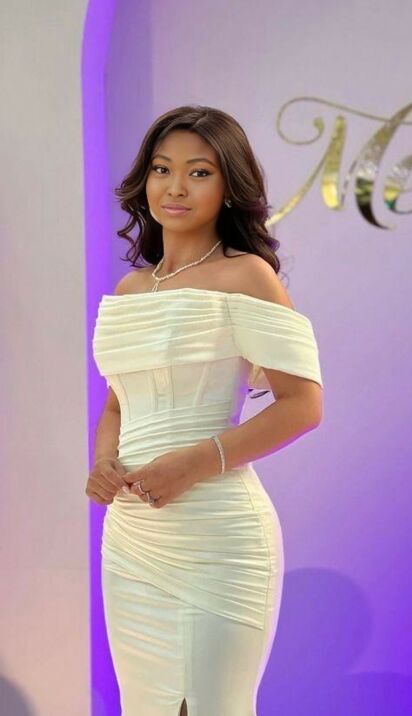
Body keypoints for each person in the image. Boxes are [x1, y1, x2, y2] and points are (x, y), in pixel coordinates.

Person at [87, 105, 324, 715]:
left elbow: (303, 406)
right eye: (162, 169)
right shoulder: (131, 290)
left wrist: (191, 464)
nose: (175, 187)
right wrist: (104, 461)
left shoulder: (247, 276)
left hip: (218, 537)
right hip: (133, 538)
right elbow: (116, 403)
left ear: (228, 186)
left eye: (199, 172)